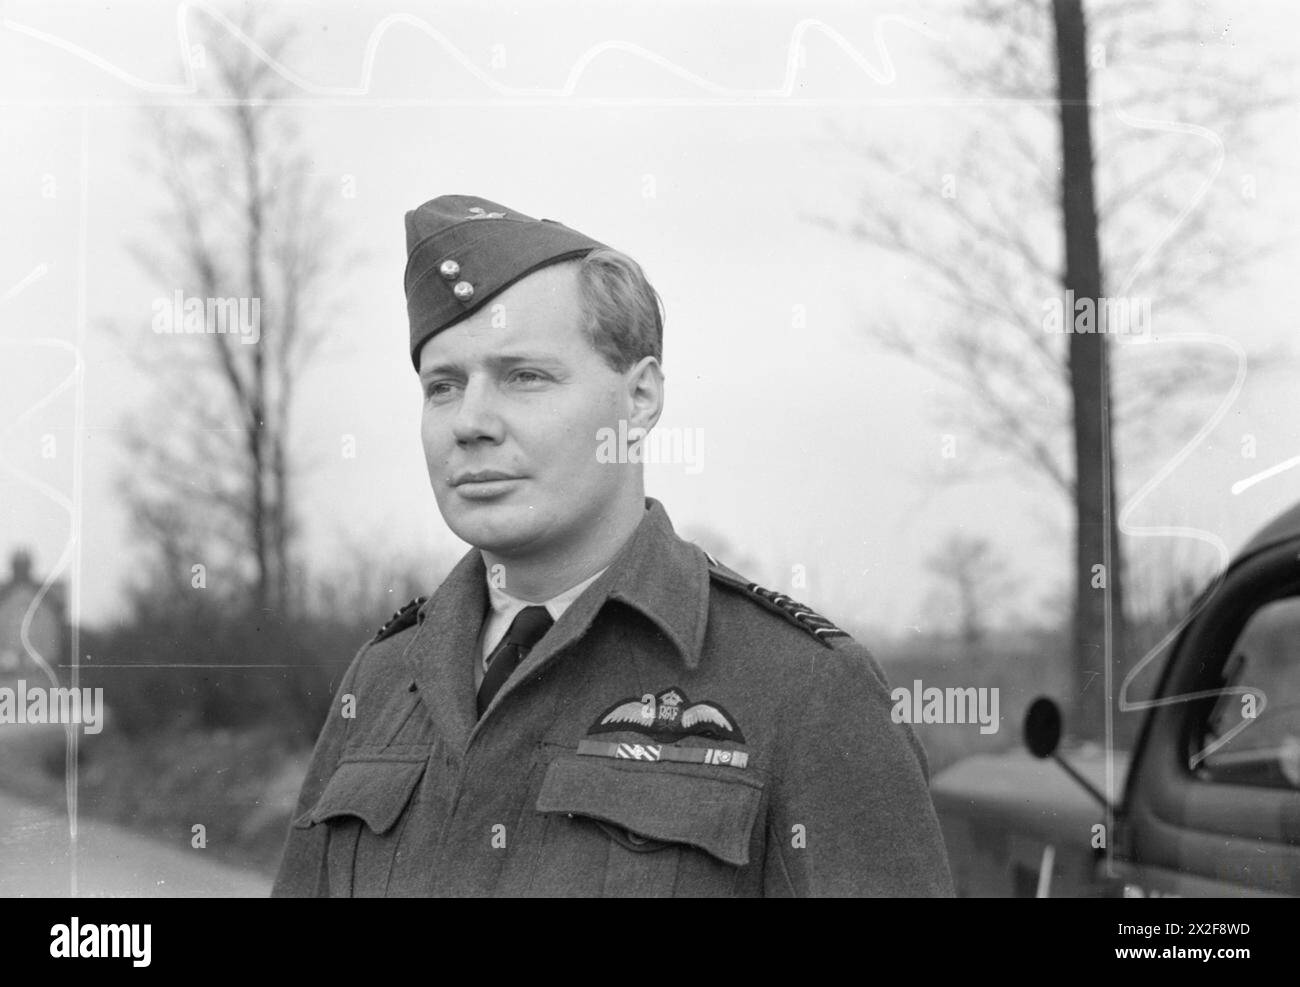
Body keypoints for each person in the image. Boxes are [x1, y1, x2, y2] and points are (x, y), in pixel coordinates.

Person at [271, 194, 954, 897]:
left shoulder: (803, 692)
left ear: (639, 400)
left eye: (523, 376)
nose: (470, 421)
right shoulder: (382, 680)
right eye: (443, 385)